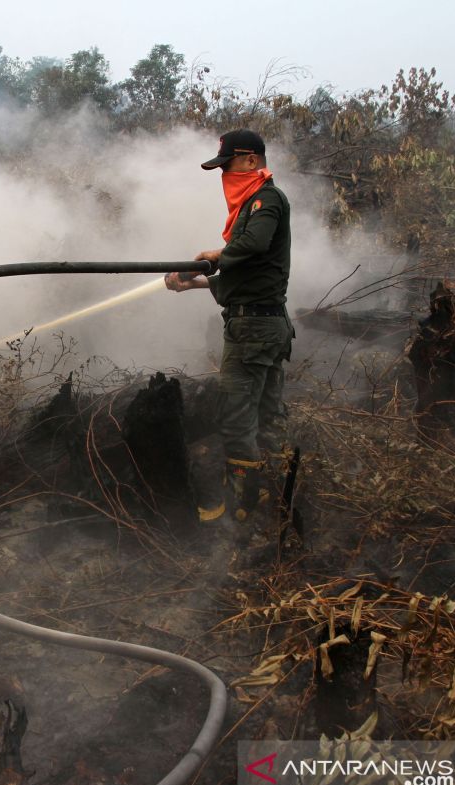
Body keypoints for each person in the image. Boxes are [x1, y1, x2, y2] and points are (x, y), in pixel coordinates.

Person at [164, 130, 293, 521]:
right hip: (264, 323)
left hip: (252, 331)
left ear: (251, 161)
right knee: (267, 415)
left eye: (228, 165)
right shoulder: (255, 203)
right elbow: (250, 277)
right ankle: (278, 495)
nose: (225, 175)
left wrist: (215, 255)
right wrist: (195, 283)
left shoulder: (265, 200)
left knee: (237, 420)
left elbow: (252, 246)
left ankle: (244, 516)